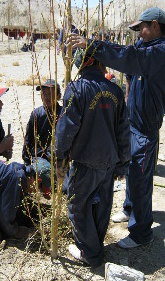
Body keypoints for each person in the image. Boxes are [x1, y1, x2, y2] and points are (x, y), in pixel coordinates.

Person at [66, 7, 165, 249]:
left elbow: (130, 58)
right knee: (132, 171)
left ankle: (141, 233)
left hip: (146, 127)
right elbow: (129, 60)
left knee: (140, 179)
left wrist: (93, 44)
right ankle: (130, 209)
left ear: (154, 25)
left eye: (141, 28)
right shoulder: (145, 48)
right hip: (134, 122)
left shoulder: (160, 52)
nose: (138, 34)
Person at [55, 49, 131, 267]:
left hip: (85, 162)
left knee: (78, 206)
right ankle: (95, 245)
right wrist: (122, 164)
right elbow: (123, 132)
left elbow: (65, 130)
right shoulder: (115, 91)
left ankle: (90, 253)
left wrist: (59, 158)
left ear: (81, 66)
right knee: (102, 206)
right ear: (98, 64)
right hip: (109, 161)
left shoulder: (76, 90)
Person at [22, 79, 67, 198]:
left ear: (58, 96)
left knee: (68, 184)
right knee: (56, 182)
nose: (46, 97)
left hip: (59, 158)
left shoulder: (63, 114)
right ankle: (44, 182)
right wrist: (27, 162)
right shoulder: (37, 114)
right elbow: (28, 139)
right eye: (43, 94)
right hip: (40, 158)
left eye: (50, 94)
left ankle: (46, 183)